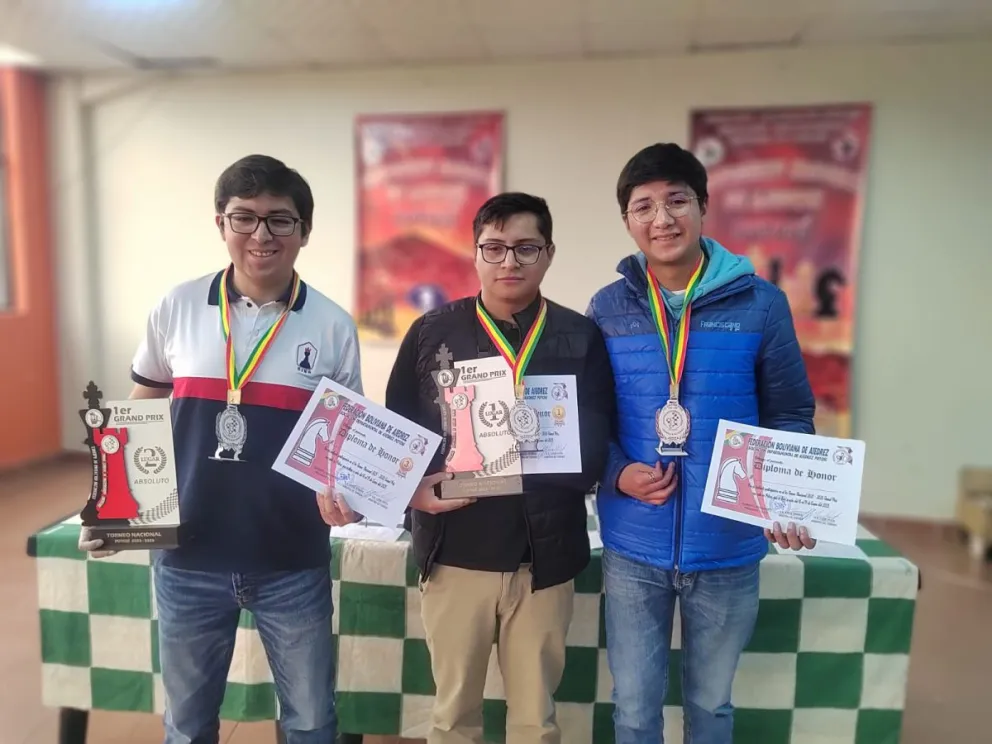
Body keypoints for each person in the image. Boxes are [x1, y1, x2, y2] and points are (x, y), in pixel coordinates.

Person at [78, 154, 362, 744]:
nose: (262, 235)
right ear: (221, 223)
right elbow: (145, 403)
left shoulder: (333, 326)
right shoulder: (177, 307)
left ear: (304, 232)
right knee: (187, 724)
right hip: (188, 553)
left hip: (291, 555)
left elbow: (345, 438)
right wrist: (112, 500)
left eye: (280, 220)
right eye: (245, 217)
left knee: (312, 721)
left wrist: (350, 491)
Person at [586, 143, 816, 744]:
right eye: (644, 206)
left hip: (728, 543)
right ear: (628, 220)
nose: (661, 219)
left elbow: (789, 412)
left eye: (676, 201)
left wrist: (788, 499)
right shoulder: (608, 308)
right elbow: (592, 418)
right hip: (635, 543)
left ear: (704, 207)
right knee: (633, 711)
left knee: (711, 708)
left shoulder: (762, 304)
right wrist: (616, 474)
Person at [379, 192, 615, 744]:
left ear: (549, 254)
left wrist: (574, 457)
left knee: (536, 721)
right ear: (476, 253)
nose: (510, 261)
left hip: (544, 561)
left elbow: (602, 430)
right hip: (456, 554)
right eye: (496, 248)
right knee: (453, 716)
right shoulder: (433, 332)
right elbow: (397, 432)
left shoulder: (580, 337)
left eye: (526, 248)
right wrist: (412, 490)